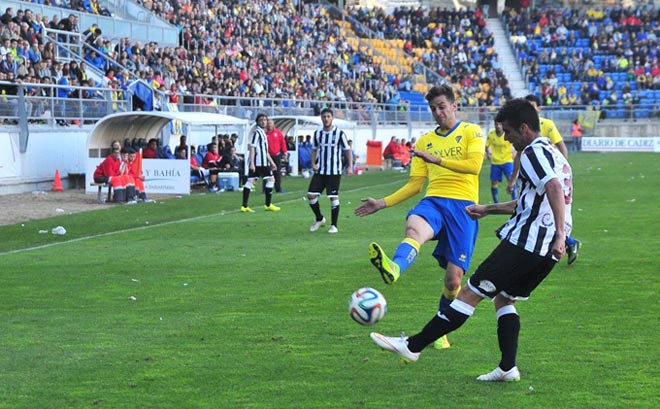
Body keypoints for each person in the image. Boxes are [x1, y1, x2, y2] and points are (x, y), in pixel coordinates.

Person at [369, 98, 573, 383]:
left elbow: (552, 188)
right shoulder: (553, 153)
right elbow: (532, 200)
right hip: (546, 249)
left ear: (524, 128)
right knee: (504, 298)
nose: (506, 139)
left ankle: (412, 346)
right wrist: (488, 209)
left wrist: (561, 234)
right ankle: (507, 368)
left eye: (509, 133)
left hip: (527, 242)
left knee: (470, 293)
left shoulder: (530, 153)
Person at [355, 84, 485, 349]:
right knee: (414, 229)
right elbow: (416, 185)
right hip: (434, 200)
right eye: (433, 109)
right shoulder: (425, 141)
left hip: (464, 207)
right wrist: (382, 202)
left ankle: (442, 328)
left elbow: (474, 166)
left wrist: (437, 161)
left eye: (442, 107)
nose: (438, 112)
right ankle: (395, 268)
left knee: (453, 281)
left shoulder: (472, 131)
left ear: (453, 106)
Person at [509, 94, 579, 265]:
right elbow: (519, 155)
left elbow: (560, 149)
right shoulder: (524, 142)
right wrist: (513, 177)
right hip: (535, 177)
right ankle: (566, 239)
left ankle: (567, 240)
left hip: (546, 189)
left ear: (539, 109)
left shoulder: (546, 125)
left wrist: (555, 171)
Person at [307, 108, 353, 234]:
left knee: (333, 197)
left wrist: (350, 166)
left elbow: (347, 150)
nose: (326, 119)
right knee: (311, 195)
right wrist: (313, 163)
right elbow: (314, 149)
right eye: (324, 117)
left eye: (328, 116)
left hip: (334, 171)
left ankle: (334, 225)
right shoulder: (317, 134)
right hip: (320, 170)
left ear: (332, 118)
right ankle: (319, 218)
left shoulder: (339, 133)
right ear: (321, 118)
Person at [241, 113, 281, 213]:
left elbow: (265, 151)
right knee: (271, 180)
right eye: (261, 120)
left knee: (251, 181)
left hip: (262, 161)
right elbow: (252, 147)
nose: (263, 121)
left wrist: (272, 162)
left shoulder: (263, 133)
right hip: (259, 162)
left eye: (265, 119)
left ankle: (244, 206)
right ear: (257, 122)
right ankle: (268, 204)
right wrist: (252, 163)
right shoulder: (257, 133)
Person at [486, 120, 516, 203]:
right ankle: (496, 202)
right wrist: (488, 153)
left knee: (511, 180)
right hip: (495, 162)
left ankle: (514, 200)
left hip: (507, 161)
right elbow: (486, 145)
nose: (498, 126)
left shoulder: (508, 134)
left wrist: (514, 153)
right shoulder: (491, 134)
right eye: (496, 124)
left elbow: (515, 143)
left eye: (499, 124)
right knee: (494, 182)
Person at [266, 119, 287, 193]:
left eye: (271, 123)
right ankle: (266, 189)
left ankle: (278, 188)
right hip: (267, 156)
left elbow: (283, 143)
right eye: (268, 123)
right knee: (267, 172)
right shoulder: (264, 133)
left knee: (277, 173)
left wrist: (285, 153)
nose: (269, 125)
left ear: (273, 124)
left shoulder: (278, 132)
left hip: (277, 155)